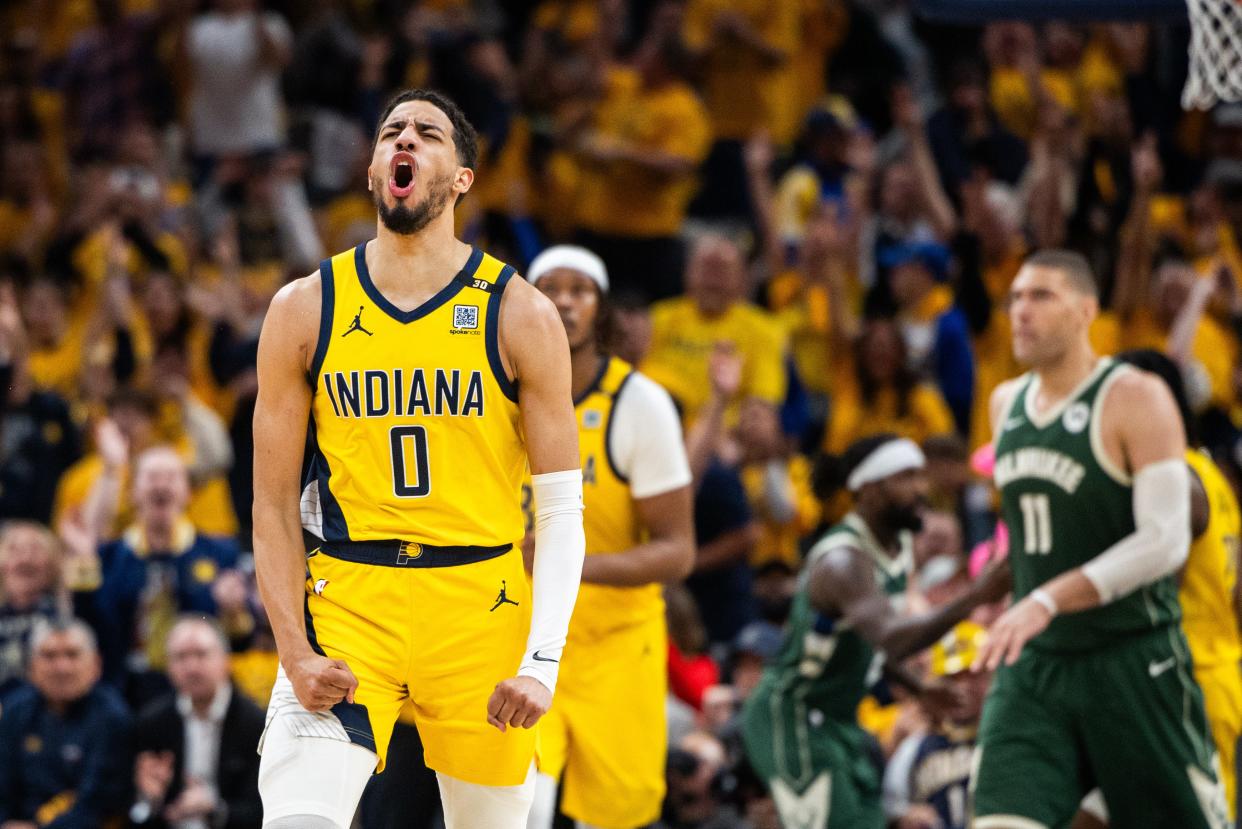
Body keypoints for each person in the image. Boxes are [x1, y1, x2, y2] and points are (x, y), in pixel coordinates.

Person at [251, 88, 584, 829]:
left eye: (427, 133)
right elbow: (271, 506)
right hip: (350, 598)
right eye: (390, 132)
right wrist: (295, 651)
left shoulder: (520, 312)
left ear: (462, 177)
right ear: (373, 171)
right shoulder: (305, 308)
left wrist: (542, 660)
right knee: (298, 820)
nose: (404, 141)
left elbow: (562, 510)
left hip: (480, 604)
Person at [971, 250, 1230, 828]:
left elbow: (1165, 541)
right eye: (1015, 298)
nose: (1021, 312)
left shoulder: (1135, 396)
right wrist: (988, 605)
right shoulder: (1005, 404)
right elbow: (1034, 540)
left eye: (1042, 297)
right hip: (1037, 665)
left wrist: (1047, 598)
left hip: (1133, 660)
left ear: (1087, 310)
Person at [740, 433, 1010, 828]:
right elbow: (891, 635)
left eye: (920, 475)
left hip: (838, 717)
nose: (921, 489)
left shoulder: (898, 543)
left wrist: (919, 689)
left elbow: (870, 645)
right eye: (905, 478)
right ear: (868, 488)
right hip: (794, 717)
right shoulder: (843, 562)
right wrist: (975, 596)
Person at [523, 245, 695, 829]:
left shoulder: (640, 403)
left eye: (581, 290)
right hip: (520, 636)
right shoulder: (494, 397)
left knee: (616, 817)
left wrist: (566, 564)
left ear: (602, 311)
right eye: (550, 287)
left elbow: (677, 551)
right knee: (520, 807)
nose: (565, 302)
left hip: (616, 643)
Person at [1072, 349, 1242, 829]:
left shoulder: (1176, 481)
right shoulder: (1211, 476)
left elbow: (1146, 589)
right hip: (1203, 672)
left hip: (1185, 682)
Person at [128, 616, 265, 829]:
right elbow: (139, 816)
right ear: (168, 666)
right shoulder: (152, 722)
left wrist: (215, 809)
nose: (191, 667)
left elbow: (261, 810)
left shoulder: (255, 723)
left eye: (201, 655)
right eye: (181, 657)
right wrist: (148, 799)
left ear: (225, 660)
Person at [0, 618, 131, 827]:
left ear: (96, 664)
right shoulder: (16, 711)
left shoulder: (112, 716)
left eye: (72, 655)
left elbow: (97, 804)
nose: (62, 667)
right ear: (32, 666)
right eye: (49, 656)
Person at [883, 622, 990, 829]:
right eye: (953, 677)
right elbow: (891, 807)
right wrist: (904, 817)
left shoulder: (1008, 737)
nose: (963, 686)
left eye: (974, 675)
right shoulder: (915, 747)